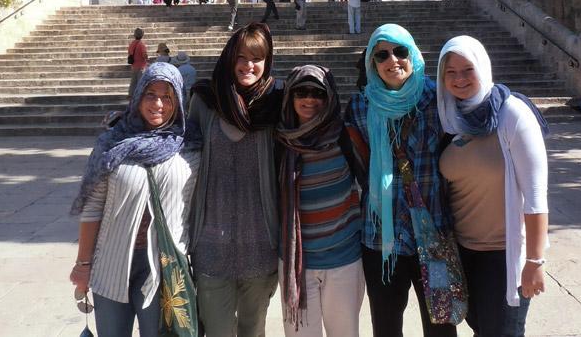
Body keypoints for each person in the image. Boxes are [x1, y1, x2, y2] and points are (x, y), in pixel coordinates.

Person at [69, 62, 201, 337]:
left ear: (178, 99)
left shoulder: (191, 147)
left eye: (167, 97)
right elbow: (93, 208)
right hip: (111, 265)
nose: (158, 104)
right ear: (138, 96)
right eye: (150, 94)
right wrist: (83, 265)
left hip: (164, 268)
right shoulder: (113, 143)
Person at [344, 24, 455, 337]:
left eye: (400, 51)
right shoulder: (360, 105)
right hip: (381, 238)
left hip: (433, 234)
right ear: (372, 62)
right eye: (382, 54)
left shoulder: (438, 100)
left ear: (413, 53)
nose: (392, 60)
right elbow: (358, 164)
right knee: (386, 325)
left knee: (441, 324)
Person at [437, 35, 549, 337]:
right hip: (461, 252)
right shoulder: (448, 117)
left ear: (483, 68)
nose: (459, 79)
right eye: (451, 72)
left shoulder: (511, 113)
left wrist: (535, 261)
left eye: (468, 69)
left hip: (502, 254)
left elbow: (536, 196)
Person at [187, 23, 284, 337]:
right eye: (241, 57)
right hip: (211, 245)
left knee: (253, 329)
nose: (249, 65)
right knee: (216, 330)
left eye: (257, 58)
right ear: (230, 58)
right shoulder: (205, 100)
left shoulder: (277, 102)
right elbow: (180, 147)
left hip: (260, 243)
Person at [275, 65, 364, 337]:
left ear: (329, 97)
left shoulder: (344, 135)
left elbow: (370, 178)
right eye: (301, 91)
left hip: (344, 259)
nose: (309, 99)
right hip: (297, 264)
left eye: (318, 92)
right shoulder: (279, 141)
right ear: (290, 96)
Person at [127, 27, 148, 100]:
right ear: (142, 35)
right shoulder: (141, 44)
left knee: (133, 81)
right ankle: (139, 96)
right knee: (140, 82)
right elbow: (144, 55)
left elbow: (129, 53)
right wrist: (147, 59)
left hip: (134, 65)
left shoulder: (132, 43)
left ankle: (131, 95)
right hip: (141, 66)